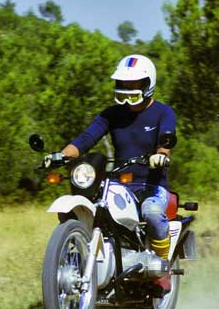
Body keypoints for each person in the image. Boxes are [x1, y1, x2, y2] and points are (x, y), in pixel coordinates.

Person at [45, 54, 176, 262]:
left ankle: (163, 266)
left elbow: (165, 140)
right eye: (123, 82)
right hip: (118, 185)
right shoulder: (111, 114)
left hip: (151, 185)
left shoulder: (163, 112)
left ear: (147, 83)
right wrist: (61, 155)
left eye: (133, 83)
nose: (127, 86)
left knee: (152, 213)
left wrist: (160, 156)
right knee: (90, 210)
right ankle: (80, 259)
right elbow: (86, 139)